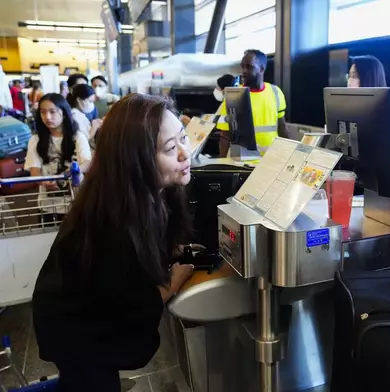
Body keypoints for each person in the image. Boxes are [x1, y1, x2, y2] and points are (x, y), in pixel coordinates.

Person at [32, 94, 195, 391]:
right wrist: (171, 284)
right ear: (136, 159)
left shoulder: (140, 190)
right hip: (73, 327)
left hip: (89, 317)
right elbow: (129, 308)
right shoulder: (113, 217)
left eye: (184, 138)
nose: (186, 153)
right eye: (171, 147)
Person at [25, 93, 92, 223]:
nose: (47, 117)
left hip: (76, 202)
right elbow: (34, 170)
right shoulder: (35, 140)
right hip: (48, 206)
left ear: (64, 113)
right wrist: (43, 182)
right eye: (43, 112)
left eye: (52, 112)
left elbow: (87, 162)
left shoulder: (77, 137)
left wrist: (70, 172)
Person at [217, 49, 287, 157]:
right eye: (242, 66)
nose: (243, 71)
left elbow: (282, 128)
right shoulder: (234, 96)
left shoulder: (276, 92)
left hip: (271, 160)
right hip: (242, 164)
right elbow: (225, 134)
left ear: (262, 69)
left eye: (249, 67)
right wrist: (221, 164)